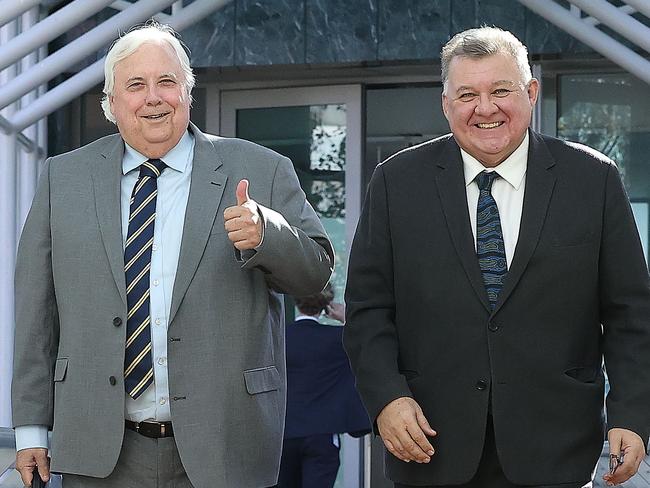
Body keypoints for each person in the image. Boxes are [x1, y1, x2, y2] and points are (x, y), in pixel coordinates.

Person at [12, 22, 334, 488]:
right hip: (99, 448)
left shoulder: (260, 168)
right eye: (136, 85)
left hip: (225, 444)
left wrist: (269, 234)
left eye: (167, 82)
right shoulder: (63, 179)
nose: (154, 98)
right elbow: (36, 315)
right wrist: (30, 429)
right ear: (111, 102)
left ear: (187, 91)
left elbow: (317, 276)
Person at [343, 26, 650, 488]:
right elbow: (368, 311)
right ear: (445, 104)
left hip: (556, 448)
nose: (485, 109)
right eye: (466, 94)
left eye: (501, 90)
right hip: (430, 445)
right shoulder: (396, 182)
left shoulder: (593, 179)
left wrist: (630, 412)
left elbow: (630, 315)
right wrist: (387, 398)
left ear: (530, 93)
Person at [276, 284, 370, 488]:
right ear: (325, 304)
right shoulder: (338, 339)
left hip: (284, 435)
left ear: (296, 301)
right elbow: (370, 342)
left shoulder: (279, 339)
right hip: (323, 435)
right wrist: (346, 318)